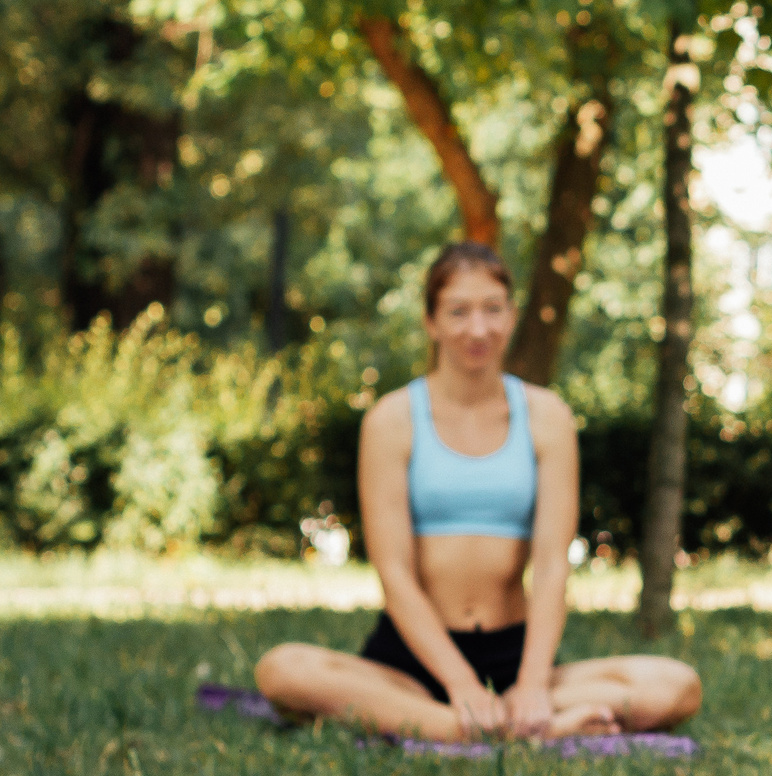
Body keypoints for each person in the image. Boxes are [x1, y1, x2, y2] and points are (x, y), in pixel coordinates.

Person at [256, 243, 702, 742]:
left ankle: (479, 722)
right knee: (282, 669)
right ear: (431, 322)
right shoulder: (392, 420)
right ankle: (506, 730)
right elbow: (395, 573)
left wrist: (532, 683)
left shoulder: (547, 416)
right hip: (411, 663)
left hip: (516, 659)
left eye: (493, 309)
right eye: (458, 311)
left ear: (512, 316)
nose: (478, 329)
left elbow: (553, 564)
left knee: (676, 685)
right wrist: (462, 683)